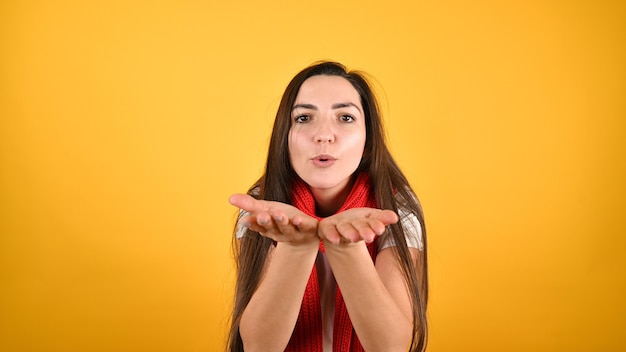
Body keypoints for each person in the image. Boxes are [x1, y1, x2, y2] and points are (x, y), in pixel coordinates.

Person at [227, 61, 428, 352]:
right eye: (304, 118)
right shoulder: (265, 208)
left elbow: (391, 347)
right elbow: (260, 346)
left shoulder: (397, 209)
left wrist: (348, 247)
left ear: (368, 141)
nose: (323, 135)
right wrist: (295, 248)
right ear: (285, 137)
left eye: (345, 118)